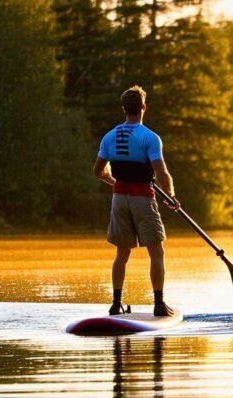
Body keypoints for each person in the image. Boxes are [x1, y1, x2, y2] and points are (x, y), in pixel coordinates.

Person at [93, 85, 179, 316]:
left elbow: (98, 171)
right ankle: (159, 304)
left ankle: (116, 303)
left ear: (124, 109)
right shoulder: (150, 138)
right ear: (143, 107)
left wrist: (116, 183)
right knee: (157, 253)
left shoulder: (109, 137)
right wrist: (170, 197)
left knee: (122, 253)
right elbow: (161, 174)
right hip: (142, 198)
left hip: (119, 199)